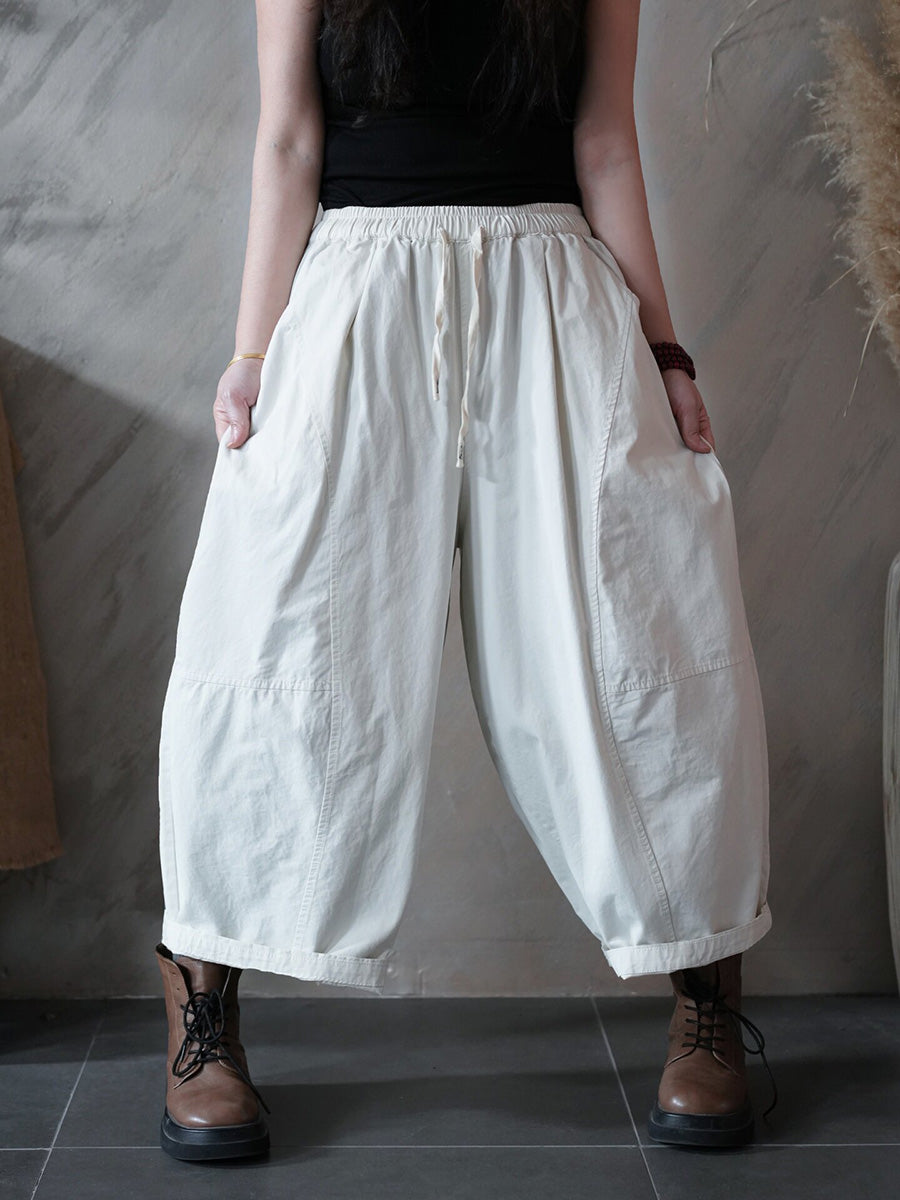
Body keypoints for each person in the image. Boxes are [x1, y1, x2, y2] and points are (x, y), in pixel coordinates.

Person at [154, 0, 777, 1163]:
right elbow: (289, 137)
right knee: (274, 639)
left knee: (643, 635)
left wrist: (665, 350)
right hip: (357, 293)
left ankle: (705, 998)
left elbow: (604, 138)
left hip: (554, 293)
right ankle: (205, 1013)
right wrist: (250, 352)